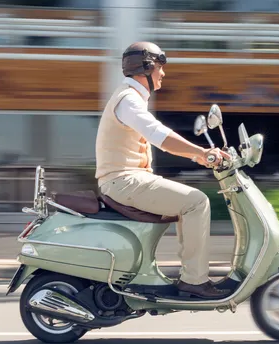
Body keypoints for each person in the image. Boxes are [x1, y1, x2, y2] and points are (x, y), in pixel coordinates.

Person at [95, 41, 231, 299]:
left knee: (185, 199)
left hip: (127, 180)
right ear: (146, 68)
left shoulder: (129, 97)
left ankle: (181, 275)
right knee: (196, 202)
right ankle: (194, 280)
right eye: (159, 67)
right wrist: (202, 153)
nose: (163, 73)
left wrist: (199, 156)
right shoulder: (129, 101)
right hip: (123, 181)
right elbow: (160, 136)